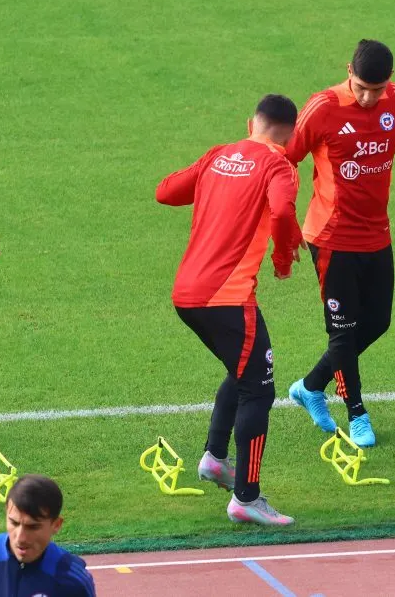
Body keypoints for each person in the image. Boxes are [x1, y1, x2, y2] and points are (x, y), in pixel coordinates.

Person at [285, 40, 395, 448]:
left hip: (376, 234)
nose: (369, 97)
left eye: (377, 90)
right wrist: (279, 219)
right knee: (343, 331)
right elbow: (287, 158)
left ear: (389, 82)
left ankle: (310, 386)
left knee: (377, 322)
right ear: (348, 72)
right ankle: (356, 412)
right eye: (361, 88)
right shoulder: (322, 107)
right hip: (331, 237)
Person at [156, 94, 303, 526]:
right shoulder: (280, 166)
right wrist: (282, 259)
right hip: (228, 298)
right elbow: (281, 210)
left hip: (186, 294)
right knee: (259, 389)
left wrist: (215, 178)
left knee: (244, 371)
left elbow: (166, 192)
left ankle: (216, 460)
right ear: (290, 135)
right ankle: (246, 498)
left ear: (250, 123)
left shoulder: (219, 155)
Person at [0, 474, 96, 596]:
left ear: (56, 525)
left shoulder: (72, 580)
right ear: (7, 513)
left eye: (33, 527)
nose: (20, 538)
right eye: (14, 523)